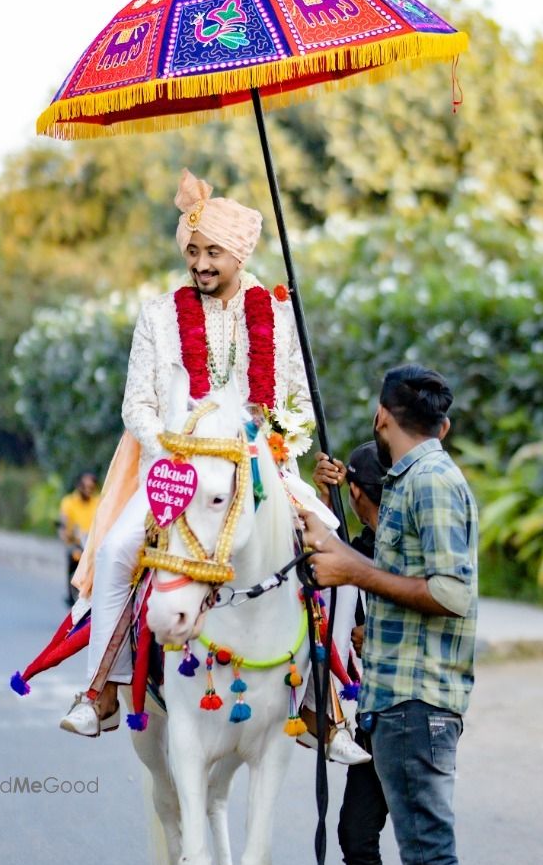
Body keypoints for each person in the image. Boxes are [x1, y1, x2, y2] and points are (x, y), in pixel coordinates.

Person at [59, 168, 366, 764]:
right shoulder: (158, 316)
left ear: (241, 252)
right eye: (192, 251)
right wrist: (178, 450)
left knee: (333, 550)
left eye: (212, 253)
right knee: (121, 549)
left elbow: (298, 403)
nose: (199, 264)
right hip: (176, 470)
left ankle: (323, 704)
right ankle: (101, 691)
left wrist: (276, 441)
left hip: (260, 469)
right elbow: (136, 406)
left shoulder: (277, 315)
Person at [302, 364, 477, 865]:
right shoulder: (409, 482)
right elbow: (394, 559)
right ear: (441, 420)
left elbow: (449, 592)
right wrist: (344, 531)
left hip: (417, 702)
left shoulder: (432, 482)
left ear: (381, 418)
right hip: (393, 698)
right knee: (418, 860)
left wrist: (352, 570)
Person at [313, 444, 422, 865]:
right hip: (372, 713)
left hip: (416, 709)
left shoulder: (407, 541)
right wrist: (327, 497)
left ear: (360, 492)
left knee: (421, 843)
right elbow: (330, 559)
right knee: (356, 833)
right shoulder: (359, 545)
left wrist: (372, 633)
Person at [58, 471, 100, 605]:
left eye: (91, 487)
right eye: (85, 487)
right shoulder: (68, 502)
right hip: (77, 543)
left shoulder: (98, 501)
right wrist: (66, 532)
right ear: (78, 486)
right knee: (73, 556)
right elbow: (63, 523)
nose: (88, 490)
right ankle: (71, 594)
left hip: (95, 544)